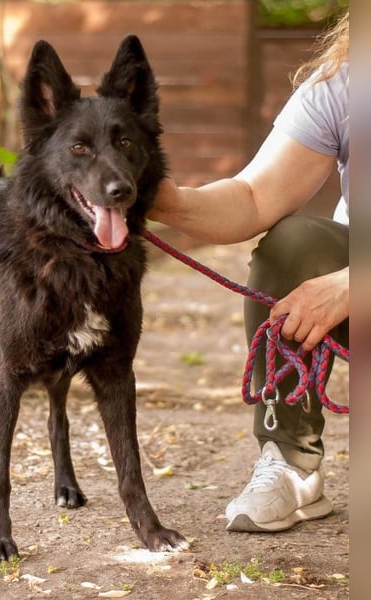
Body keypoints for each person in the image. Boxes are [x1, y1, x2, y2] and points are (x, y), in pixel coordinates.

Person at [149, 12, 349, 532]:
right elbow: (256, 195)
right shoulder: (345, 82)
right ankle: (292, 462)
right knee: (293, 245)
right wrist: (164, 200)